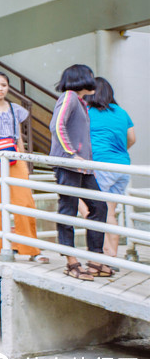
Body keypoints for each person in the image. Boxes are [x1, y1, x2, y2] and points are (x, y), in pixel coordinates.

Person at [0, 72, 48, 263]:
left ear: (8, 87)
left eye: (3, 85)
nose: (0, 88)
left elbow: (18, 136)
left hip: (13, 155)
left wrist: (24, 160)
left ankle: (31, 250)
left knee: (25, 202)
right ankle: (1, 248)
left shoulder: (14, 109)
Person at [49, 64, 111, 281]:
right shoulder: (69, 97)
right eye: (90, 77)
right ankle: (71, 263)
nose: (94, 81)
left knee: (99, 207)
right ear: (81, 78)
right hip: (68, 165)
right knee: (68, 210)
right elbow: (57, 125)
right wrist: (71, 153)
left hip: (84, 168)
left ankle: (95, 260)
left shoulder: (81, 102)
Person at [85, 77, 136, 257]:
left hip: (100, 165)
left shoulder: (88, 112)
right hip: (122, 167)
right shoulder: (121, 112)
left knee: (89, 209)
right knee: (110, 212)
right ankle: (112, 253)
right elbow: (132, 139)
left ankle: (104, 251)